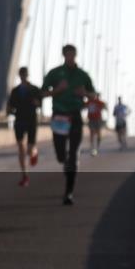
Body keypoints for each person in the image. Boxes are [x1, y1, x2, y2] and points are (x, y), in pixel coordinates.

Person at [39, 44, 95, 205]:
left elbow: (93, 96)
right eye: (68, 55)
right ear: (64, 55)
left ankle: (69, 193)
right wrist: (57, 90)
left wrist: (85, 94)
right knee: (61, 155)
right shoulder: (55, 73)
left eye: (73, 55)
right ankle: (65, 163)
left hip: (75, 116)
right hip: (59, 117)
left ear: (75, 55)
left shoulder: (83, 75)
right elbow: (42, 93)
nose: (70, 57)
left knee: (74, 155)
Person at [7, 66, 43, 186]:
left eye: (25, 74)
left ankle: (34, 152)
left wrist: (36, 102)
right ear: (19, 75)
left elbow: (40, 103)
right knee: (21, 147)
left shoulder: (35, 89)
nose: (23, 77)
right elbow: (10, 105)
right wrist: (9, 111)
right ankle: (25, 175)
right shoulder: (15, 91)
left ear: (28, 75)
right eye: (22, 74)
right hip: (19, 120)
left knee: (29, 149)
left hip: (31, 120)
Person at [86, 91, 107, 155]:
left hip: (98, 119)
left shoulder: (99, 102)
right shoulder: (89, 102)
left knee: (98, 134)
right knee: (92, 133)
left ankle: (98, 146)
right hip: (91, 119)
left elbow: (105, 106)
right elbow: (84, 105)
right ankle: (92, 147)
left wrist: (102, 107)